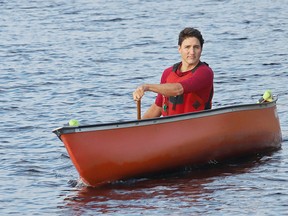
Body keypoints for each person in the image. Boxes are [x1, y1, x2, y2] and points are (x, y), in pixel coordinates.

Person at [133, 27, 214, 119]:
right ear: (179, 49)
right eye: (187, 47)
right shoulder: (168, 73)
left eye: (196, 47)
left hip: (196, 126)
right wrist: (139, 126)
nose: (192, 52)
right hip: (171, 128)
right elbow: (158, 107)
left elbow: (178, 89)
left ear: (201, 49)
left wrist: (146, 87)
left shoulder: (205, 73)